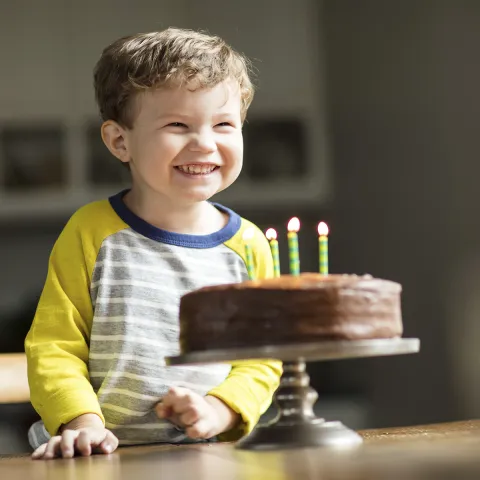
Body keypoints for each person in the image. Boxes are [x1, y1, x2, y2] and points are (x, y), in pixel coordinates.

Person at [25, 27, 282, 460]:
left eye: (223, 124)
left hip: (211, 458)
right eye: (178, 125)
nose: (204, 143)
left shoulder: (249, 245)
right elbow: (55, 348)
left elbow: (262, 360)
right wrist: (84, 425)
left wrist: (217, 412)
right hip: (101, 458)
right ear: (119, 141)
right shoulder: (90, 233)